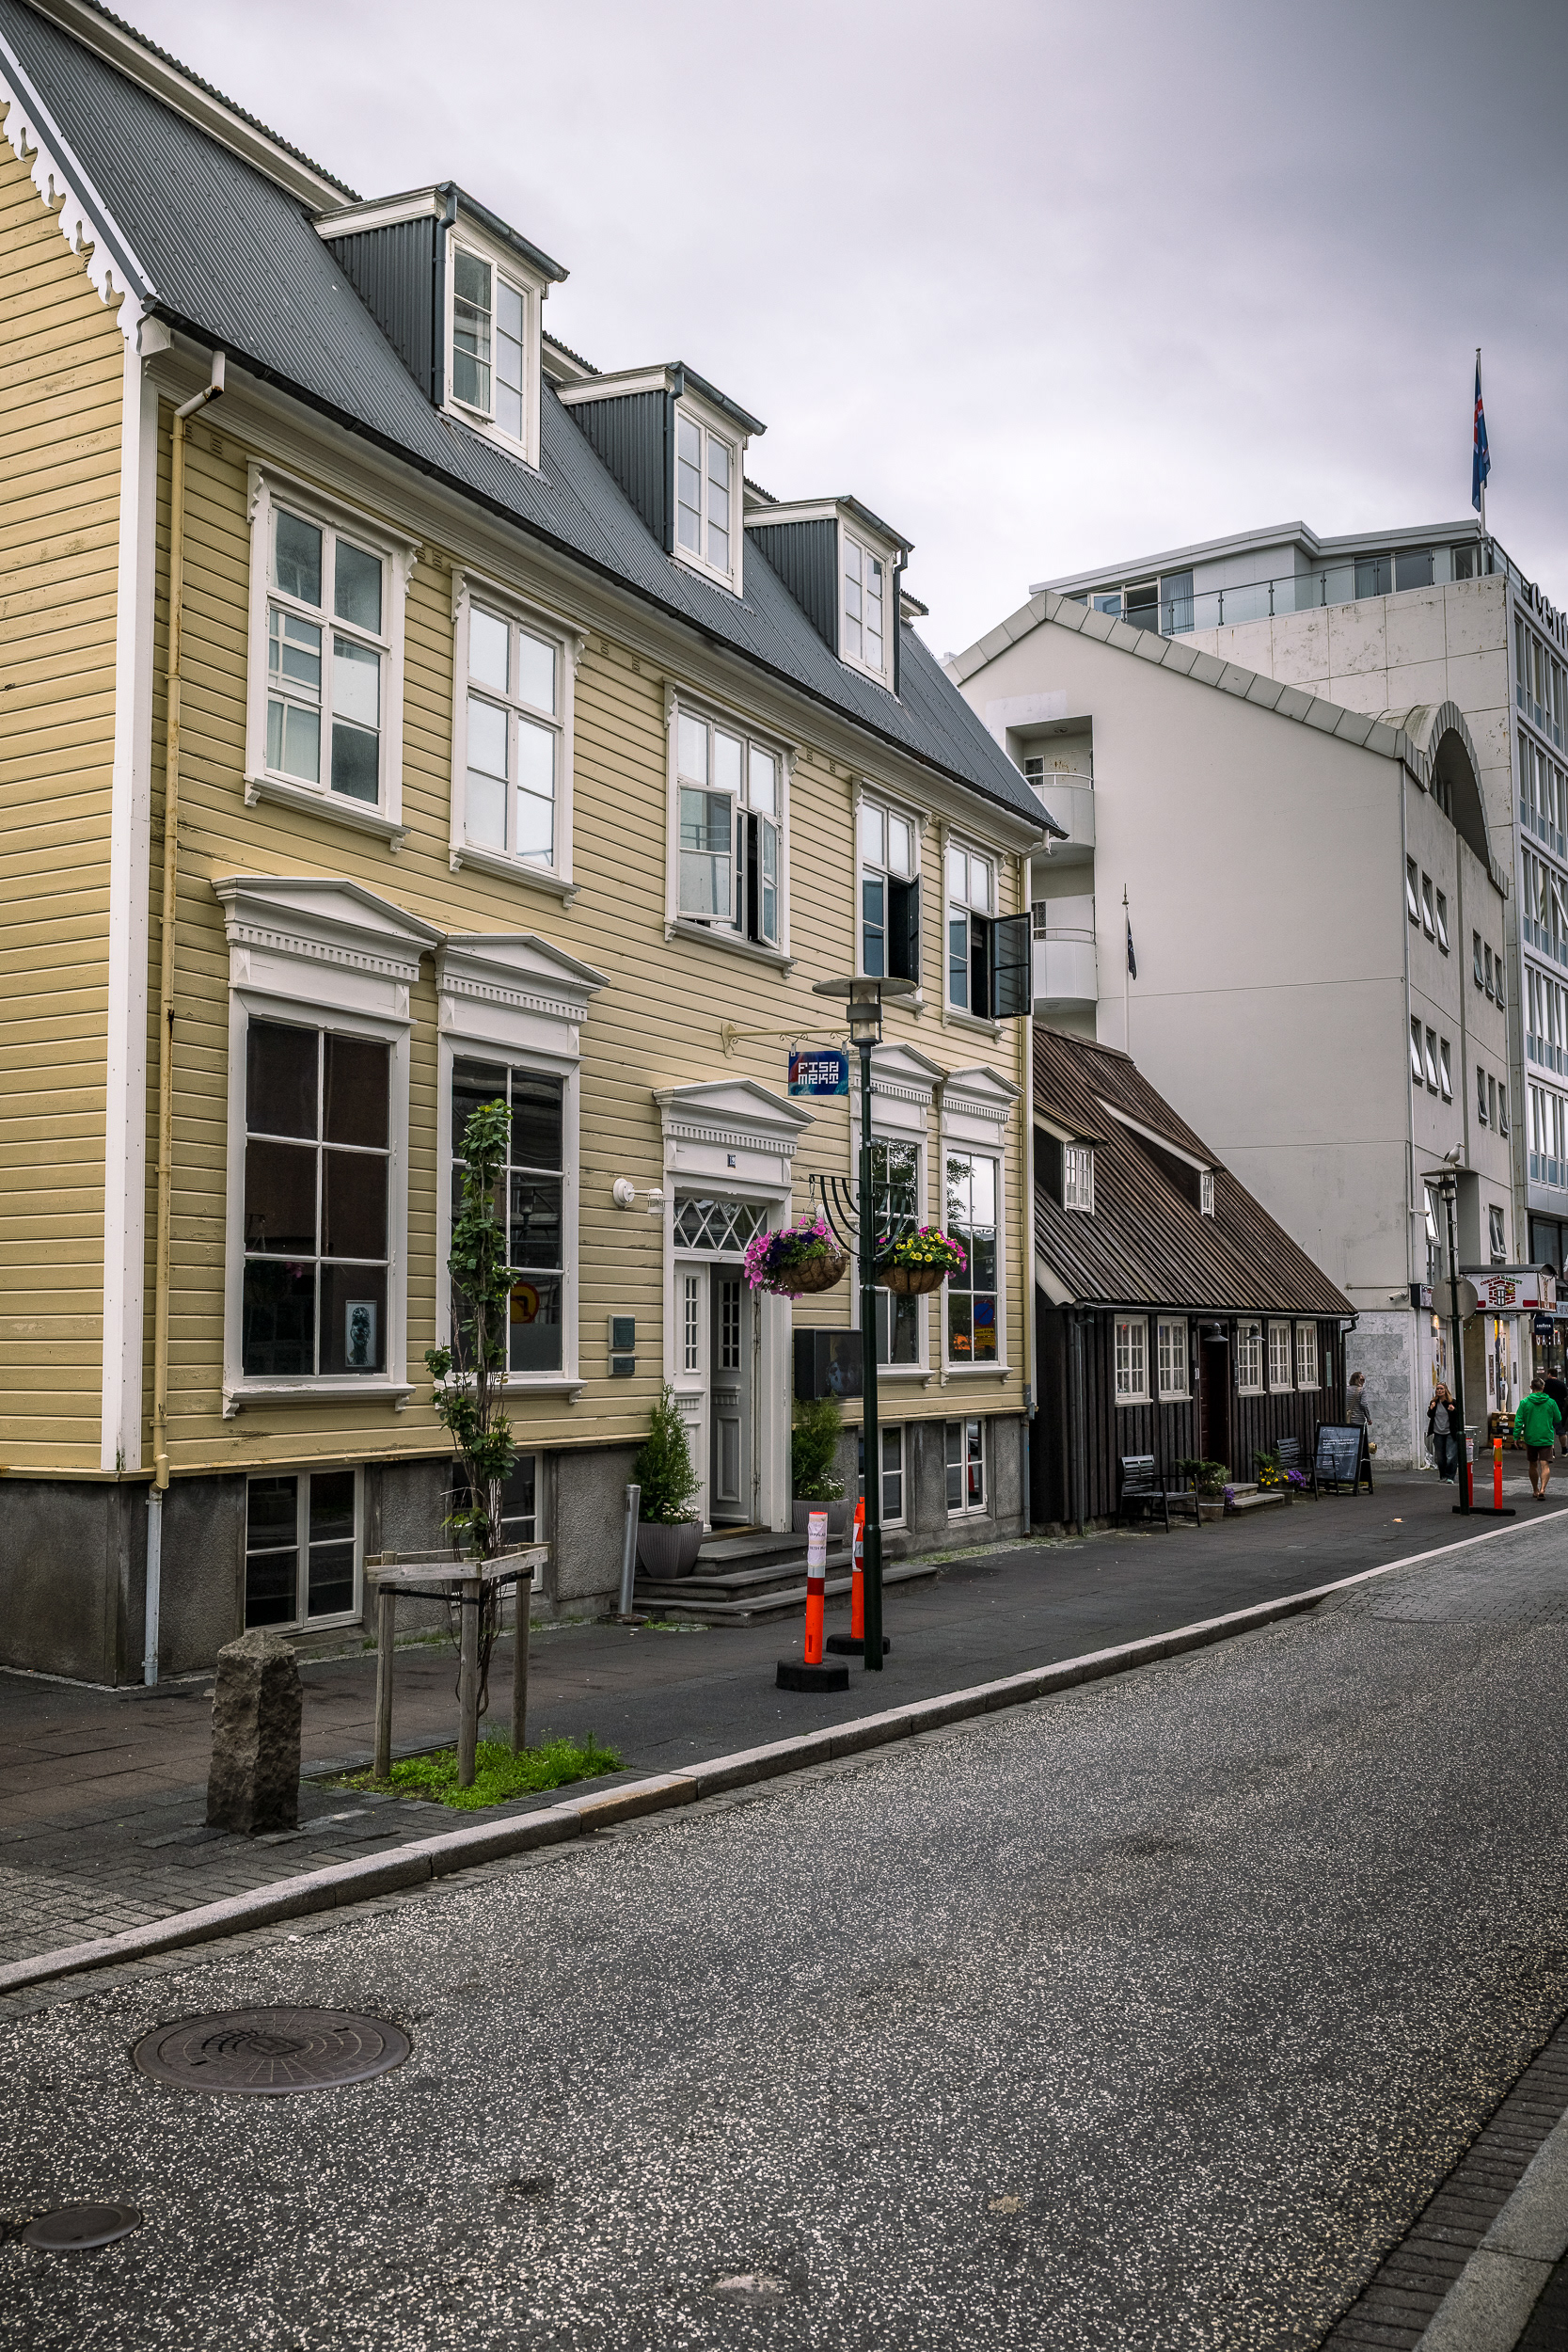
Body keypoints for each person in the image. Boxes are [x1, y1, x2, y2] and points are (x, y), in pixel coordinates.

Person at [1513, 1375, 1563, 1500]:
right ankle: (1543, 1489)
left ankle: (1535, 1490)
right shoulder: (1551, 1402)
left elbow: (1519, 1420)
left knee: (1532, 1464)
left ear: (1531, 1387)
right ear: (1543, 1388)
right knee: (1544, 1464)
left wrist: (1516, 1436)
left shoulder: (1524, 1402)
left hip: (1531, 1437)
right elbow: (1558, 1418)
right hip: (1546, 1436)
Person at [1427, 1383, 1458, 1483]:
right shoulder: (1434, 1402)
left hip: (1449, 1432)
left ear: (1445, 1390)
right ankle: (1443, 1475)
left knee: (1450, 1455)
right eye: (1437, 1389)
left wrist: (1453, 1411)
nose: (1439, 1391)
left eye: (1441, 1389)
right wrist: (1431, 1409)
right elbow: (1430, 1415)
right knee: (1440, 1456)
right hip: (1438, 1432)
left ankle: (1450, 1476)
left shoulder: (1451, 1402)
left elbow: (1458, 1415)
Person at [1345, 1371, 1373, 1458]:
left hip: (1347, 1419)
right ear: (1356, 1380)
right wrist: (1368, 1418)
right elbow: (1364, 1404)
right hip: (1358, 1420)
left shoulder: (1346, 1389)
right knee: (1360, 1443)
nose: (1363, 1382)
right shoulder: (1361, 1391)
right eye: (1362, 1380)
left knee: (1348, 1441)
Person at [1544, 1368, 1568, 1457]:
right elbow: (1566, 1396)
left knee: (1549, 1431)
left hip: (1547, 1410)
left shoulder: (1545, 1384)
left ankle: (1552, 1452)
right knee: (1561, 1432)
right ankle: (1564, 1450)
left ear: (1549, 1374)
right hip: (1559, 1410)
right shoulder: (1562, 1384)